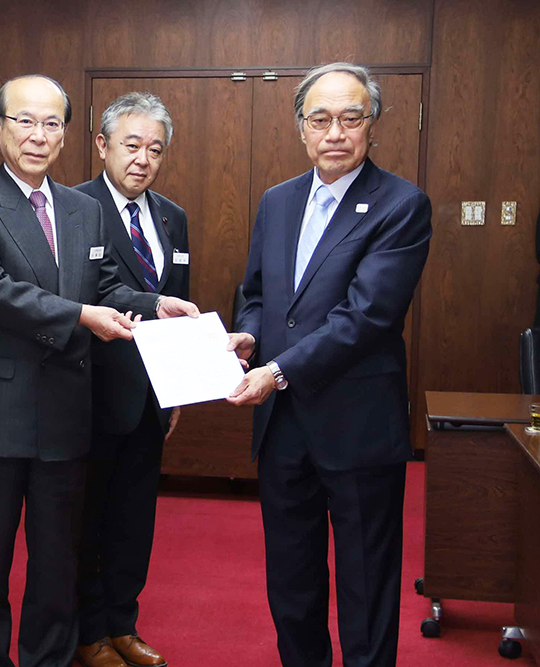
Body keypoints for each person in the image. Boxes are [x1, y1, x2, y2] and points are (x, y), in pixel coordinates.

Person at [0, 74, 198, 667]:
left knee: (57, 565)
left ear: (67, 134)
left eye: (51, 123)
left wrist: (154, 304)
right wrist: (81, 315)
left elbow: (107, 283)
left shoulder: (84, 210)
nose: (38, 135)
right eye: (25, 121)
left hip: (65, 413)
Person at [227, 62, 432, 667]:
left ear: (373, 125)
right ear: (301, 128)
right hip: (283, 425)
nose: (335, 132)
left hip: (358, 426)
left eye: (351, 117)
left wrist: (278, 368)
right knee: (291, 583)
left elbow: (366, 317)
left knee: (366, 585)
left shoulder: (401, 205)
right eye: (321, 119)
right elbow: (259, 294)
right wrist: (247, 335)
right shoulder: (277, 201)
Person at [73, 92, 188, 667]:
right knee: (87, 520)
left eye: (155, 149)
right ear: (102, 145)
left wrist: (179, 388)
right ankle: (87, 633)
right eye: (131, 145)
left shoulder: (173, 217)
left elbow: (180, 309)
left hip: (151, 398)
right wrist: (157, 301)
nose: (143, 159)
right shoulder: (75, 208)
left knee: (135, 520)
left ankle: (123, 624)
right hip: (91, 395)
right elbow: (91, 293)